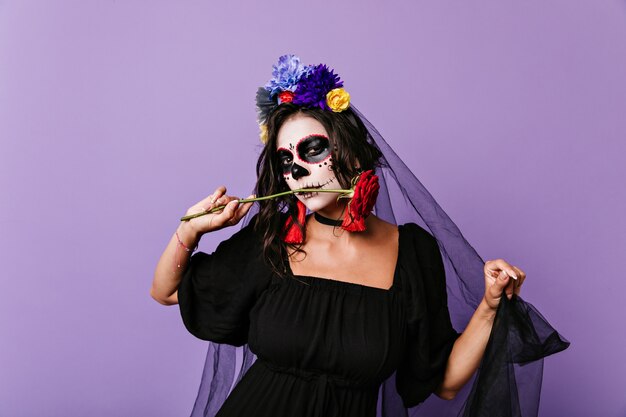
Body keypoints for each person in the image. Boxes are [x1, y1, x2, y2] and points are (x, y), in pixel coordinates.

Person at [151, 55, 569, 417]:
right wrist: (190, 229)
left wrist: (489, 306)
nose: (296, 172)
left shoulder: (411, 253)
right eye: (284, 159)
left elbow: (443, 382)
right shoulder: (272, 239)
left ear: (349, 150)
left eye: (312, 150)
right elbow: (166, 293)